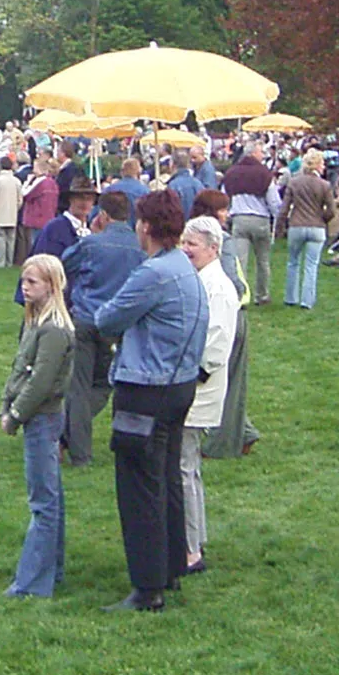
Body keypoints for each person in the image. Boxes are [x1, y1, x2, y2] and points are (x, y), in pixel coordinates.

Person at [92, 190, 209, 612]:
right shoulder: (183, 266)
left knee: (139, 488)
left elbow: (108, 319)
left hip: (147, 388)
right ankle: (171, 566)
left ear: (144, 227)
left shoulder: (154, 272)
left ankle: (147, 587)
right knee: (165, 479)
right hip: (179, 385)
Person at [1, 255, 76, 597]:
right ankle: (52, 569)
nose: (25, 287)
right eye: (24, 281)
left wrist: (15, 414)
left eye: (32, 282)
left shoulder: (54, 330)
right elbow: (22, 368)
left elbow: (41, 381)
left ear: (52, 286)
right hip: (40, 417)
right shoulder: (35, 323)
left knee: (43, 501)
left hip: (42, 419)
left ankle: (31, 584)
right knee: (50, 495)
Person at [60, 190, 145, 467]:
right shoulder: (139, 248)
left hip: (85, 318)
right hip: (118, 322)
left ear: (103, 215)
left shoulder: (91, 244)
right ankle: (73, 431)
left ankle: (76, 447)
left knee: (79, 387)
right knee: (105, 384)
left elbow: (64, 263)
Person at [178, 217, 241, 575]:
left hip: (197, 391)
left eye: (193, 245)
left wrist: (192, 377)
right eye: (184, 243)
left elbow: (215, 345)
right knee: (188, 470)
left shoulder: (216, 287)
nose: (186, 250)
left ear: (213, 249)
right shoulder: (202, 279)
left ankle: (190, 551)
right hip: (193, 387)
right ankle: (192, 540)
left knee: (184, 470)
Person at [220, 147, 276, 305]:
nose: (263, 154)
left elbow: (224, 195)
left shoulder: (231, 173)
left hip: (240, 218)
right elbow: (273, 201)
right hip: (261, 219)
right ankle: (262, 295)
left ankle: (240, 294)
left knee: (240, 260)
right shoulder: (265, 174)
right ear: (253, 154)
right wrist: (277, 218)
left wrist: (229, 212)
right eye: (261, 152)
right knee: (263, 260)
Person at [280, 151, 334, 309]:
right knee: (311, 265)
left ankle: (290, 298)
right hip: (316, 227)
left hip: (296, 225)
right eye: (322, 163)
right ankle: (307, 301)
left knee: (293, 262)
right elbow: (332, 210)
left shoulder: (294, 182)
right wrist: (322, 218)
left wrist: (280, 227)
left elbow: (284, 208)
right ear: (317, 165)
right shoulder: (325, 185)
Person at [32, 183, 94, 267]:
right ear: (70, 199)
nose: (85, 203)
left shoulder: (92, 229)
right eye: (80, 198)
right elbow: (43, 263)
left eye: (89, 199)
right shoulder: (55, 228)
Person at [0, 158, 23, 269]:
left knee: (0, 238)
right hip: (12, 214)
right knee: (11, 239)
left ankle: (0, 263)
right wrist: (16, 209)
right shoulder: (17, 181)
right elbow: (20, 199)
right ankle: (9, 262)